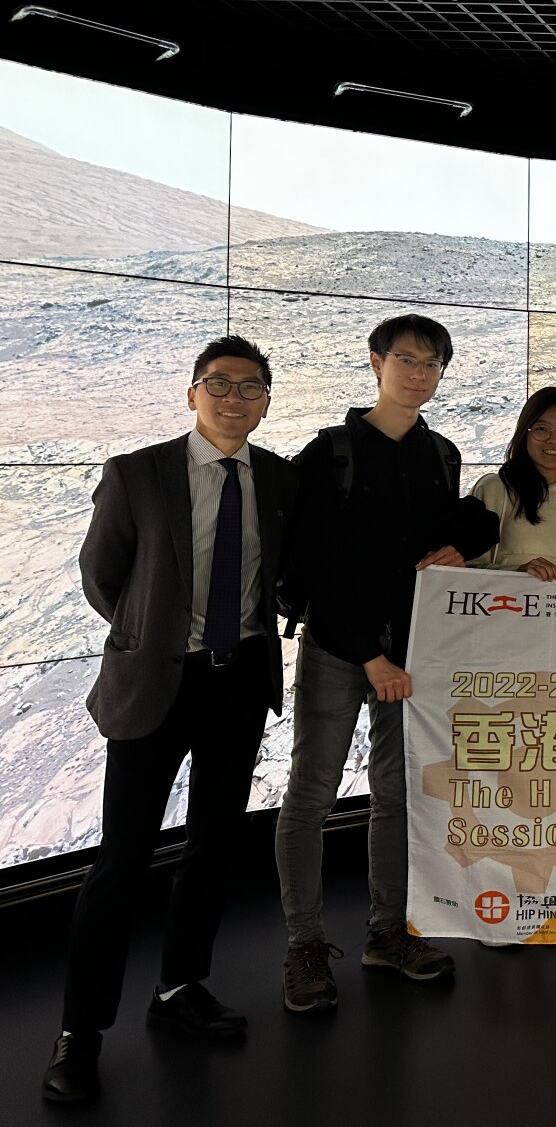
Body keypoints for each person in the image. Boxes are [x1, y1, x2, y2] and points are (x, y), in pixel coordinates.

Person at [42, 337, 299, 1104]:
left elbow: (279, 574)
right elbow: (103, 575)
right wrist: (150, 638)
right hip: (156, 684)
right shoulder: (138, 473)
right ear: (192, 394)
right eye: (218, 383)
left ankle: (180, 986)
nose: (233, 398)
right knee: (121, 862)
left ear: (265, 403)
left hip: (239, 680)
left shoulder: (278, 479)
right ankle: (80, 1033)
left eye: (249, 387)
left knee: (213, 846)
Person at [275, 314, 499, 1015]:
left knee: (397, 795)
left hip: (410, 653)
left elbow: (448, 530)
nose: (418, 374)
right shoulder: (330, 452)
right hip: (342, 651)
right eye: (406, 359)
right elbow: (317, 564)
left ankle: (387, 932)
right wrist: (369, 656)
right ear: (376, 362)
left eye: (432, 364)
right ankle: (305, 945)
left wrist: (465, 544)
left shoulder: (440, 454)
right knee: (311, 796)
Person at [469, 387, 556, 579]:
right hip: (505, 598)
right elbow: (463, 569)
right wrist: (518, 573)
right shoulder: (494, 488)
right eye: (541, 429)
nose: (553, 439)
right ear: (525, 433)